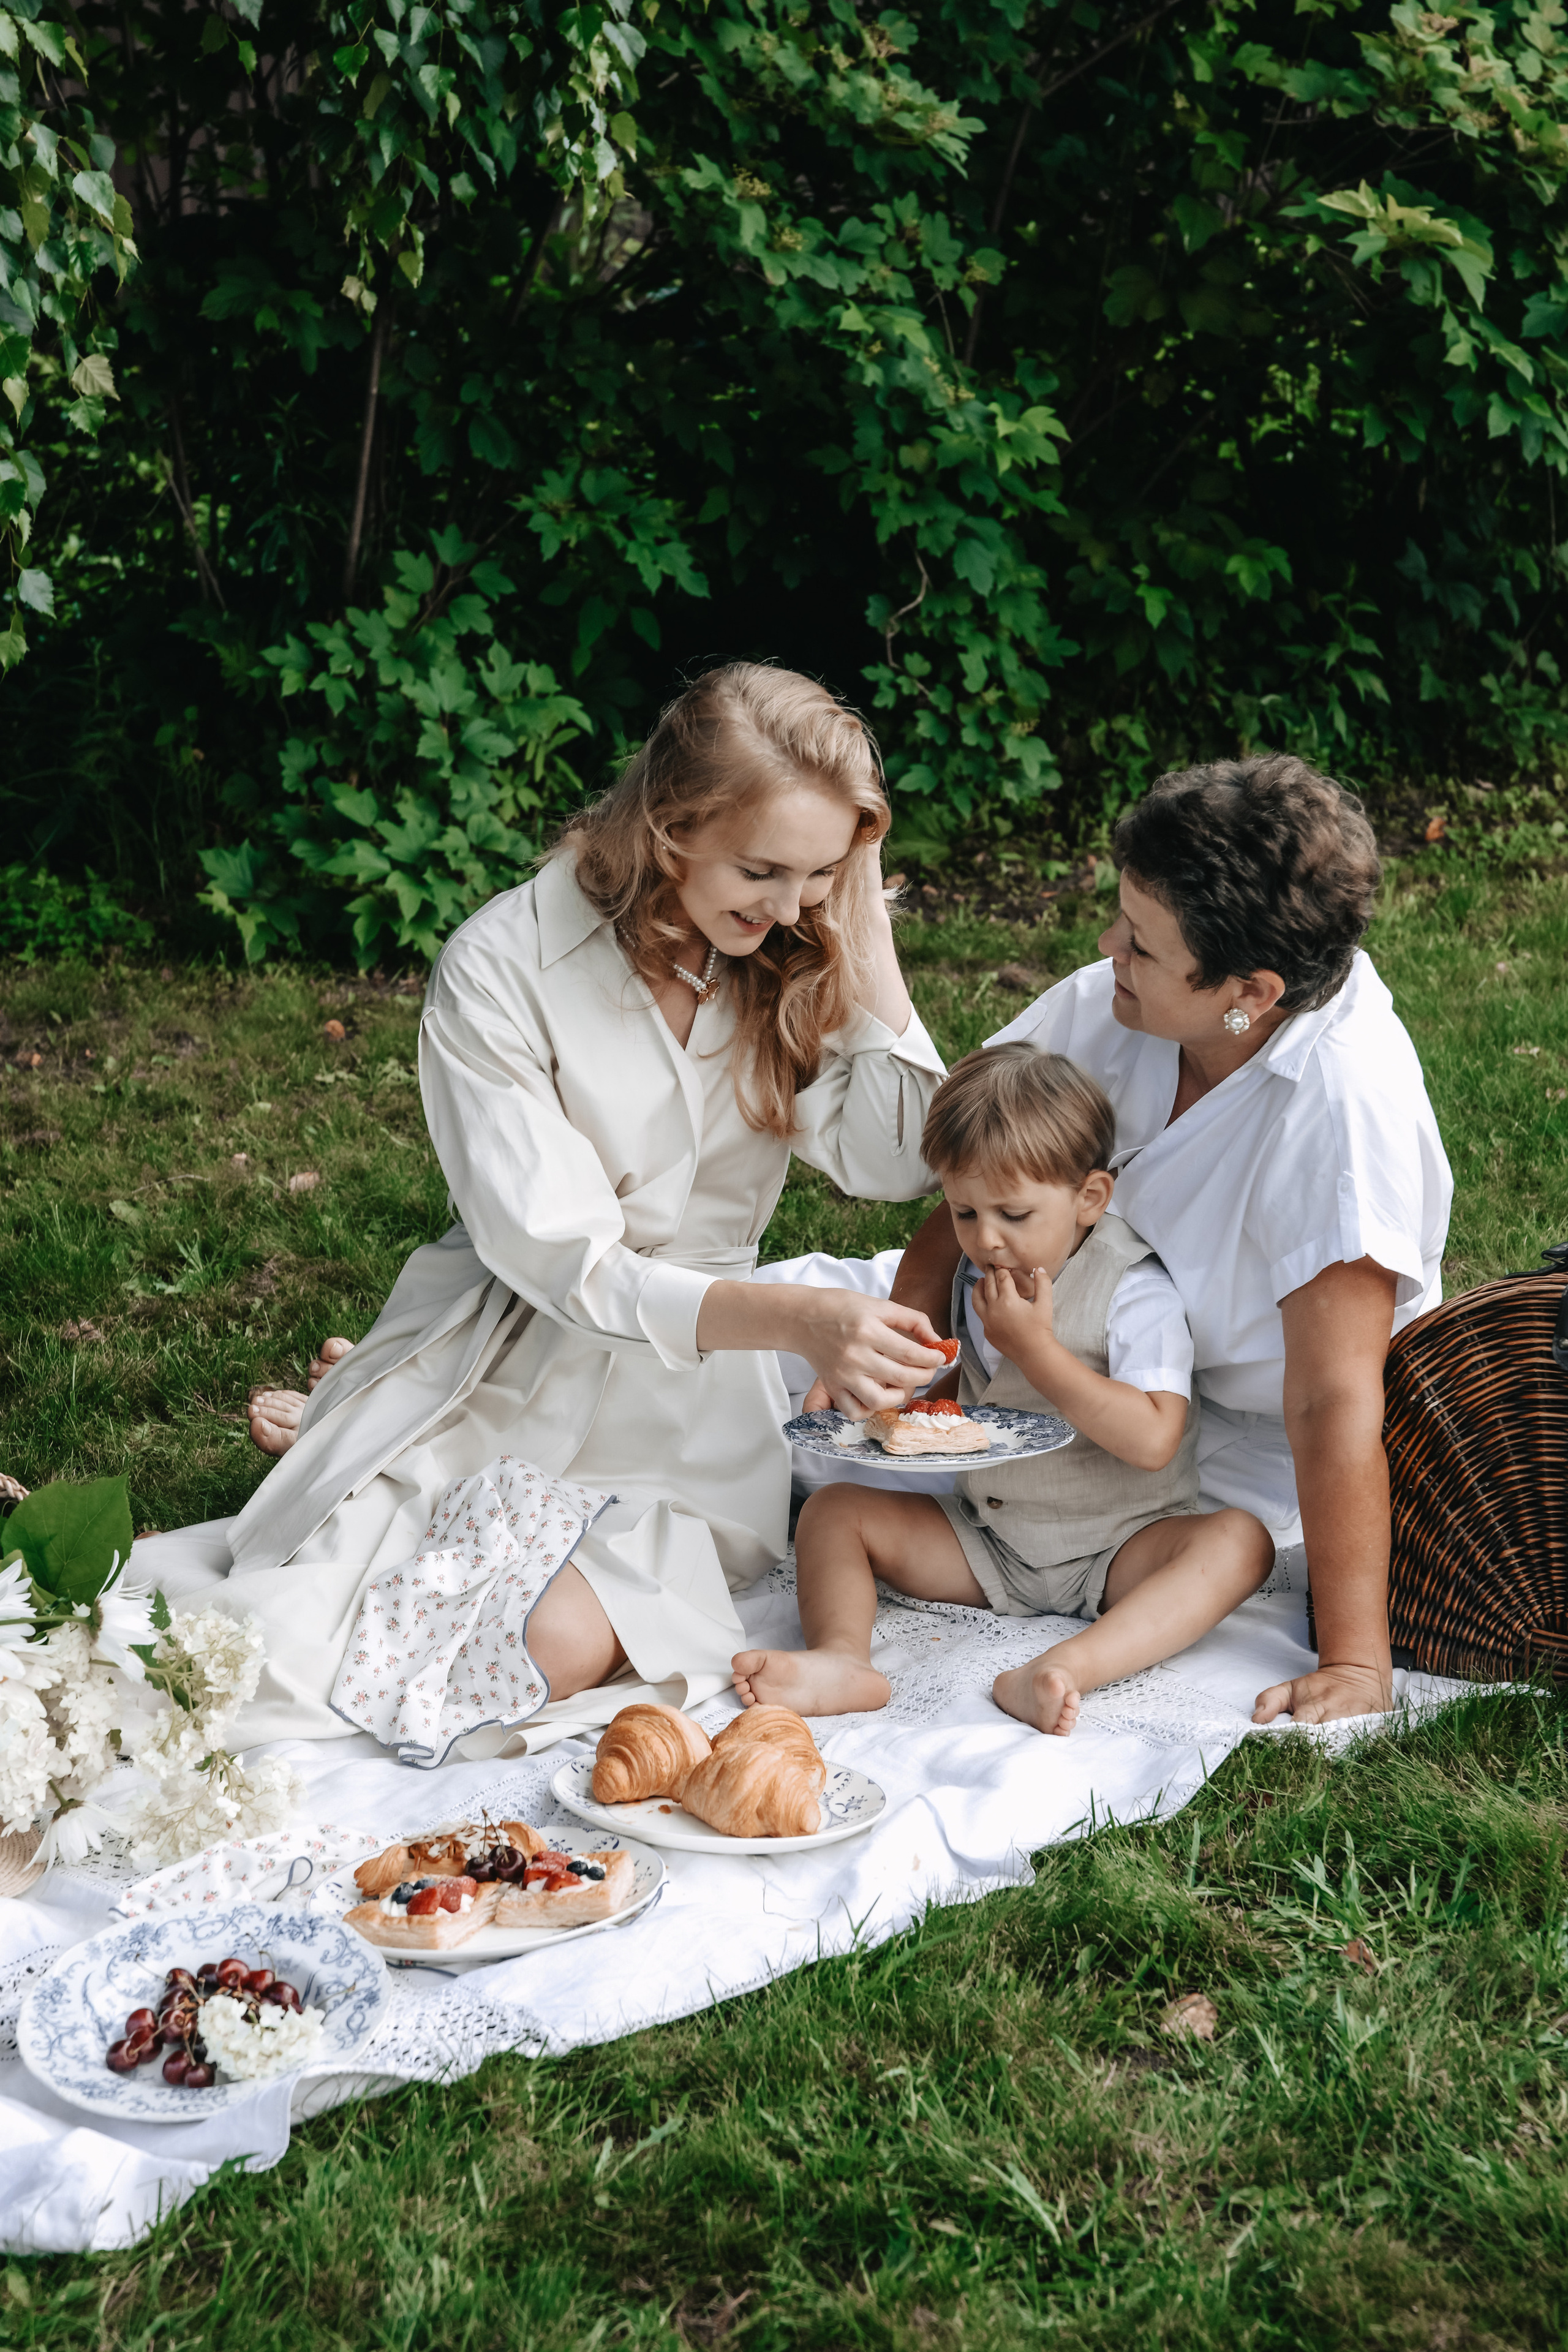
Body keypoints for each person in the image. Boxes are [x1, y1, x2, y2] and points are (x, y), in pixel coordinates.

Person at [137, 664, 951, 1751]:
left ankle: (340, 1429)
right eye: (763, 869)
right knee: (303, 1640)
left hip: (693, 1429)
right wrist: (800, 1320)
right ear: (669, 826)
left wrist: (860, 920)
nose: (789, 905)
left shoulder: (789, 943)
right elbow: (569, 1265)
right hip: (510, 1358)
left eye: (819, 873)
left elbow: (899, 1158)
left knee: (545, 1640)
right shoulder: (501, 966)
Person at [800, 754, 1452, 1727]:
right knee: (788, 1358)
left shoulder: (1345, 1115)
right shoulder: (1119, 1005)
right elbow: (979, 1185)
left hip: (1212, 1439)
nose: (1108, 946)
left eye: (1140, 944)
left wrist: (1356, 1660)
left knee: (1224, 1548)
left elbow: (1330, 1400)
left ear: (1250, 991)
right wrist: (908, 1355)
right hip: (1027, 1341)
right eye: (1122, 919)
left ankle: (1064, 1659)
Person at [733, 1047, 1273, 1732]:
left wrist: (1036, 1349)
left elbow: (1153, 1439)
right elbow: (981, 1390)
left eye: (1013, 1215)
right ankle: (843, 1658)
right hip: (991, 1537)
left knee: (1240, 1543)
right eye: (964, 1212)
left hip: (1121, 1545)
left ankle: (1065, 1669)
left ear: (1090, 1198)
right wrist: (902, 1402)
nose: (985, 1239)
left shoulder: (1133, 1288)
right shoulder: (979, 1277)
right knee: (833, 1512)